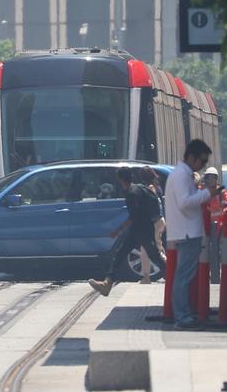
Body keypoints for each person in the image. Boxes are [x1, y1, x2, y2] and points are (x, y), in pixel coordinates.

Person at [165, 140, 219, 329]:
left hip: (186, 230)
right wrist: (207, 194)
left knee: (184, 276)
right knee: (184, 277)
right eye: (202, 161)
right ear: (191, 157)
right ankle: (182, 317)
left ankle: (184, 315)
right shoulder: (181, 175)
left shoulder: (182, 174)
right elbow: (184, 202)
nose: (203, 165)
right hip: (187, 231)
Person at [88, 167, 166, 295]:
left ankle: (176, 279)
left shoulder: (131, 193)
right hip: (139, 229)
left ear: (120, 179)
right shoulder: (138, 188)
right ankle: (107, 283)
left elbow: (133, 217)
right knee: (120, 254)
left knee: (155, 256)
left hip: (142, 230)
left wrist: (117, 231)